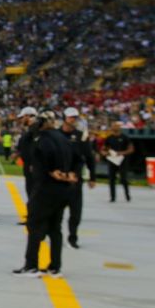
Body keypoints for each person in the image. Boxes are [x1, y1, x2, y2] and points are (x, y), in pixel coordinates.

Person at [13, 111, 81, 278]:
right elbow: (79, 159)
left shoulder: (43, 140)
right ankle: (55, 267)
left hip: (45, 189)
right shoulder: (64, 139)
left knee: (34, 226)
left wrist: (54, 172)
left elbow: (42, 165)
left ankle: (31, 266)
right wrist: (70, 175)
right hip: (64, 191)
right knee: (55, 229)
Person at [60, 107, 96, 249]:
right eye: (70, 117)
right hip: (58, 178)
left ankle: (72, 237)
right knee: (55, 211)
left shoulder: (81, 136)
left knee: (76, 211)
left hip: (75, 179)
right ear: (64, 118)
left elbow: (89, 157)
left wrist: (92, 177)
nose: (73, 120)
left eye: (75, 117)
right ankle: (53, 235)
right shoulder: (55, 134)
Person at [11, 106, 38, 225]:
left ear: (28, 116)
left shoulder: (35, 129)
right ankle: (32, 215)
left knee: (33, 191)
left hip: (33, 166)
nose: (21, 120)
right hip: (29, 165)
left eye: (23, 117)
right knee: (31, 191)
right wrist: (18, 152)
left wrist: (34, 162)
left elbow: (36, 147)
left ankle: (34, 217)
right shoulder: (30, 129)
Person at [102, 121, 134, 202]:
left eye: (116, 126)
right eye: (113, 126)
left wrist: (122, 153)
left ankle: (127, 195)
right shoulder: (109, 138)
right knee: (111, 179)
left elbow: (131, 149)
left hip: (122, 160)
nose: (114, 127)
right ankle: (112, 197)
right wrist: (105, 153)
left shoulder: (125, 137)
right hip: (112, 160)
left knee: (124, 179)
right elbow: (103, 149)